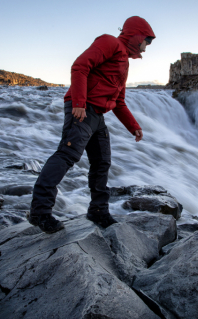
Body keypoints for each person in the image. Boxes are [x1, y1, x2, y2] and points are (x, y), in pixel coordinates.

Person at [27, 16, 156, 233]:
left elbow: (119, 101)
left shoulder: (124, 63)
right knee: (67, 155)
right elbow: (80, 66)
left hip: (97, 116)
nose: (147, 47)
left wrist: (133, 126)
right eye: (148, 41)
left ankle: (98, 211)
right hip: (82, 109)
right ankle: (39, 212)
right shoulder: (110, 42)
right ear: (137, 35)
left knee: (102, 162)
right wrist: (79, 101)